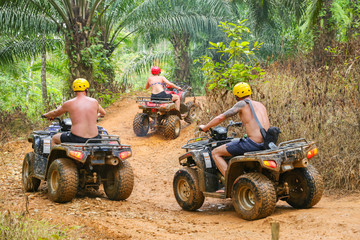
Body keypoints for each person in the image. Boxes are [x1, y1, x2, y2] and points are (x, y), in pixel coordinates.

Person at [199, 82, 270, 177]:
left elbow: (221, 117)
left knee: (215, 153)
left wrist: (205, 127)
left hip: (252, 144)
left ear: (237, 95)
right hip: (266, 143)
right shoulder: (260, 105)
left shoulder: (242, 104)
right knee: (236, 142)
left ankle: (231, 182)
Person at [43, 78, 106, 146]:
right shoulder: (94, 102)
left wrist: (46, 115)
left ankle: (56, 156)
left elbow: (55, 113)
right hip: (95, 139)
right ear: (87, 89)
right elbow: (103, 113)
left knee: (54, 138)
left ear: (74, 89)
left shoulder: (69, 103)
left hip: (76, 138)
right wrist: (95, 116)